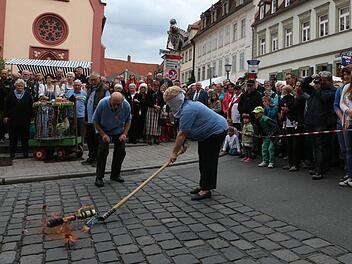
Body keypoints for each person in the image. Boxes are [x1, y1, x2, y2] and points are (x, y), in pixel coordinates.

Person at [164, 86, 228, 200]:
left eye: (170, 103)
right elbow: (186, 130)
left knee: (208, 161)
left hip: (216, 131)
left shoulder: (188, 109)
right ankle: (204, 184)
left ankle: (206, 189)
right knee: (203, 159)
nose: (169, 105)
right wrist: (184, 145)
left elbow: (182, 134)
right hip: (207, 134)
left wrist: (174, 152)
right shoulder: (186, 107)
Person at [92, 92, 131, 187]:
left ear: (122, 101)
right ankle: (99, 177)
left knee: (121, 151)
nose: (116, 107)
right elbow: (95, 121)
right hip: (103, 129)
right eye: (114, 104)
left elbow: (128, 121)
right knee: (103, 151)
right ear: (110, 100)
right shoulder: (102, 103)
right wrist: (103, 135)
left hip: (118, 130)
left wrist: (124, 134)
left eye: (119, 104)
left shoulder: (126, 105)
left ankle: (115, 174)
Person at [82, 73, 110, 167]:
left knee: (97, 141)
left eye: (94, 80)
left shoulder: (104, 89)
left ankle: (98, 159)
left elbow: (107, 104)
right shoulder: (90, 88)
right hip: (90, 119)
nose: (93, 82)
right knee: (90, 140)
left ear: (99, 79)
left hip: (98, 120)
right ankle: (91, 157)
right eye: (91, 80)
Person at [4, 79, 33, 159]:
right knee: (13, 138)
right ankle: (12, 153)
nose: (20, 87)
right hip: (13, 120)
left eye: (21, 86)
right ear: (15, 86)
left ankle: (25, 152)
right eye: (18, 85)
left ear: (24, 86)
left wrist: (31, 117)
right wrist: (6, 116)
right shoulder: (10, 95)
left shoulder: (27, 94)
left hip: (25, 120)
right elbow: (6, 106)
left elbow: (31, 106)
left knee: (25, 138)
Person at [336, 65, 352, 185]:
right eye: (344, 74)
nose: (346, 76)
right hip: (347, 122)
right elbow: (341, 103)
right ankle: (350, 176)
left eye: (348, 73)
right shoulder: (346, 87)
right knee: (348, 150)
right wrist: (347, 112)